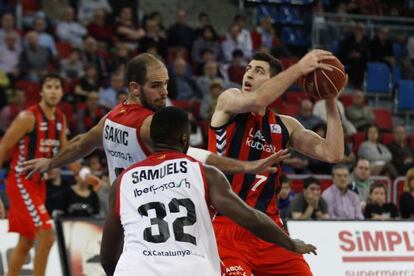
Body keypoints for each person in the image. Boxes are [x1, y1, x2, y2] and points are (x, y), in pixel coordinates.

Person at [100, 106, 316, 276]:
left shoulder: (123, 181)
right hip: (192, 268)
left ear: (153, 137)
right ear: (185, 139)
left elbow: (108, 256)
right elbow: (251, 219)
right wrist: (289, 243)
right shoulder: (204, 173)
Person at [23, 53, 286, 187]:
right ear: (135, 88)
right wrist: (247, 167)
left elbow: (82, 143)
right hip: (152, 225)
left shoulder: (112, 118)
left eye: (166, 84)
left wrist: (51, 161)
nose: (165, 92)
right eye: (156, 86)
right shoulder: (149, 124)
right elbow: (195, 154)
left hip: (123, 214)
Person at [208, 50, 343, 275]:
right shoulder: (229, 101)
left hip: (269, 228)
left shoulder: (285, 126)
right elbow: (258, 99)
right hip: (227, 225)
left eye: (259, 71)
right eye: (248, 69)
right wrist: (300, 68)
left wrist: (330, 99)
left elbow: (333, 153)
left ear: (274, 82)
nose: (249, 74)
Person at [0, 74, 68, 276]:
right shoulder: (27, 118)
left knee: (26, 242)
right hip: (21, 182)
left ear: (62, 92)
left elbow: (66, 152)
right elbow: (3, 148)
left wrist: (83, 173)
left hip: (39, 185)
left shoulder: (60, 118)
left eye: (57, 87)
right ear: (41, 91)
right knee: (47, 236)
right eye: (49, 86)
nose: (53, 90)